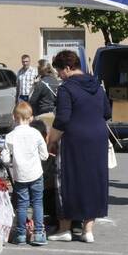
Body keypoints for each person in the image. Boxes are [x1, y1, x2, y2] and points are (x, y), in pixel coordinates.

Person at [47, 49, 110, 244]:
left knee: (69, 180)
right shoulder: (97, 86)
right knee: (93, 180)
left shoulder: (66, 88)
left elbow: (62, 119)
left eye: (59, 72)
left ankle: (65, 228)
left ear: (67, 68)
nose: (59, 76)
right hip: (98, 137)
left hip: (75, 138)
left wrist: (51, 140)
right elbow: (107, 112)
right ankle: (88, 229)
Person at [1, 102, 49, 246]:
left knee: (22, 204)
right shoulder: (36, 133)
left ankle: (21, 234)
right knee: (37, 203)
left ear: (14, 117)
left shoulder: (10, 136)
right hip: (35, 173)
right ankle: (39, 234)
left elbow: (5, 158)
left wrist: (11, 161)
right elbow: (45, 155)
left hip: (20, 175)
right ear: (31, 117)